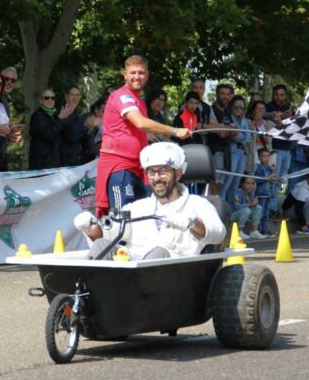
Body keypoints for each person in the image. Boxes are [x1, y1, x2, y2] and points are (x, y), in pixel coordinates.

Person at [75, 142, 226, 260]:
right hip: (131, 272)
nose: (157, 178)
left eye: (163, 171)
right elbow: (110, 233)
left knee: (159, 252)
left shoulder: (197, 204)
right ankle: (82, 296)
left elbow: (219, 234)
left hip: (175, 273)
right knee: (101, 245)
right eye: (152, 172)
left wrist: (193, 223)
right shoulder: (137, 208)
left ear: (178, 173)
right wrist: (91, 227)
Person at [95, 55, 191, 216]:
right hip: (120, 167)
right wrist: (175, 131)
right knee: (122, 219)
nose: (137, 77)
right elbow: (140, 123)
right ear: (124, 74)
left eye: (141, 73)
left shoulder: (138, 100)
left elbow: (138, 132)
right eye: (133, 73)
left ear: (147, 75)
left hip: (138, 168)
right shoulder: (122, 96)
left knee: (144, 217)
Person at [28, 88, 76, 169]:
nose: (50, 100)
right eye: (46, 98)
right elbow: (49, 134)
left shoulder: (56, 115)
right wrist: (60, 119)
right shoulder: (37, 116)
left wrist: (66, 119)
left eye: (52, 98)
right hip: (42, 165)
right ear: (40, 100)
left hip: (57, 163)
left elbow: (68, 136)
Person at [220, 95, 251, 204]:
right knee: (227, 183)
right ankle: (221, 210)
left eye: (242, 107)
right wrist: (242, 135)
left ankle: (232, 211)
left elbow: (249, 137)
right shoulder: (227, 117)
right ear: (231, 106)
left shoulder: (244, 120)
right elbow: (234, 136)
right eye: (237, 107)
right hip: (232, 152)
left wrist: (240, 134)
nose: (239, 109)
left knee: (236, 183)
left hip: (242, 152)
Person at [60, 86, 87, 166]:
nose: (75, 97)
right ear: (66, 96)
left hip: (76, 160)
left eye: (78, 95)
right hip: (63, 162)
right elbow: (70, 136)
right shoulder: (61, 113)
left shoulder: (76, 114)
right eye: (72, 94)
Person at [254, 148, 278, 237]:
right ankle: (260, 230)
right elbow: (257, 180)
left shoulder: (269, 168)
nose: (266, 158)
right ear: (259, 158)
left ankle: (265, 230)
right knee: (261, 213)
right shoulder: (259, 168)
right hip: (261, 194)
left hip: (268, 194)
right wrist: (268, 177)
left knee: (266, 214)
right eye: (264, 156)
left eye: (268, 156)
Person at [247, 100, 273, 172]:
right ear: (253, 111)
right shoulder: (248, 122)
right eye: (258, 108)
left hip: (264, 159)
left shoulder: (268, 124)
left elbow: (280, 127)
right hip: (252, 157)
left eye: (263, 109)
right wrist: (255, 121)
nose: (261, 111)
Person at [81, 97, 104, 163]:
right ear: (96, 110)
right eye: (103, 111)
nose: (105, 114)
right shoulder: (88, 121)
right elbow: (91, 150)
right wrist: (91, 128)